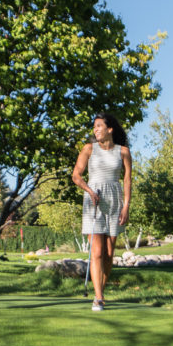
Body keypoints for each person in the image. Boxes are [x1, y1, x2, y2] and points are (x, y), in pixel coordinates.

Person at [72, 113, 132, 312]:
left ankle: (101, 291)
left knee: (108, 254)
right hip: (94, 200)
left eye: (99, 126)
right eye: (94, 127)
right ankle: (98, 298)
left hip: (115, 201)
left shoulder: (123, 152)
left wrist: (126, 206)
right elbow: (76, 175)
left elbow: (127, 180)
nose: (95, 130)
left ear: (110, 129)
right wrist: (89, 191)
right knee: (96, 252)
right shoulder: (89, 149)